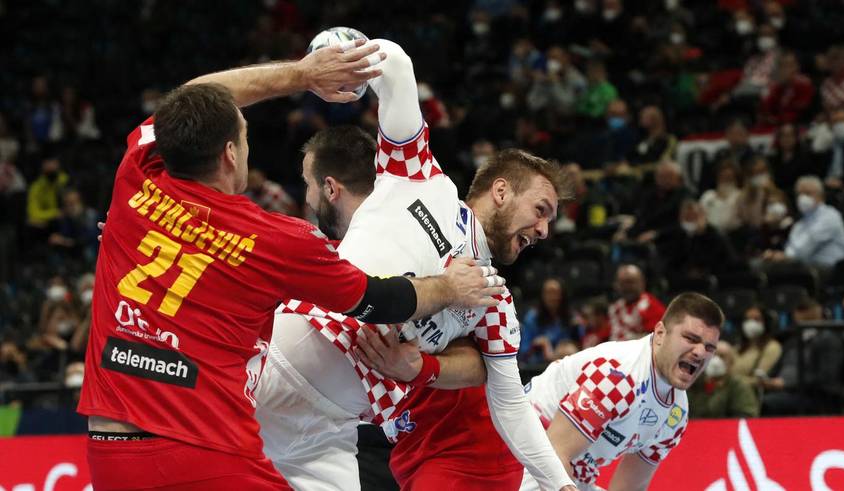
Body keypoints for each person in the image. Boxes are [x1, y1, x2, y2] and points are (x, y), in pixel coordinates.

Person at [77, 41, 504, 490]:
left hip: (110, 450)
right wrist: (450, 287)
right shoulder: (274, 239)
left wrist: (303, 74)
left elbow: (188, 97)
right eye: (244, 137)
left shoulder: (135, 178)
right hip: (206, 453)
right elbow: (379, 299)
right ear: (229, 154)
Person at [258, 38, 576, 491]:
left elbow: (510, 405)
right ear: (501, 191)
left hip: (331, 434)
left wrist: (559, 485)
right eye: (541, 209)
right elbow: (398, 67)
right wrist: (340, 55)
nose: (544, 230)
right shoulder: (421, 177)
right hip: (280, 364)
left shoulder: (495, 301)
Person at [519, 292, 725, 490]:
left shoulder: (676, 414)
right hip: (525, 453)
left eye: (709, 347)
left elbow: (630, 487)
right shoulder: (618, 376)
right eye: (690, 338)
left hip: (571, 471)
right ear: (660, 333)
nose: (699, 352)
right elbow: (554, 456)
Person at [760, 298, 844, 415]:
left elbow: (825, 378)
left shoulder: (828, 340)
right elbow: (777, 367)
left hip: (812, 397)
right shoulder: (793, 340)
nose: (802, 323)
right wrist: (767, 380)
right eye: (800, 320)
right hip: (783, 392)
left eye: (808, 319)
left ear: (819, 316)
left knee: (767, 403)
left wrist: (787, 384)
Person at [762, 175, 844, 270]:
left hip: (828, 268)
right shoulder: (801, 222)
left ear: (821, 196)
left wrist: (783, 257)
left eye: (808, 193)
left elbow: (806, 247)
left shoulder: (830, 216)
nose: (802, 198)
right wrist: (777, 255)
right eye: (799, 194)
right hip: (804, 266)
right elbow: (792, 247)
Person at [687, 341, 759, 418]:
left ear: (731, 362)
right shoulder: (693, 383)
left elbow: (747, 417)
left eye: (722, 357)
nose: (716, 360)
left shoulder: (739, 386)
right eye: (713, 355)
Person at [520, 277, 579, 365]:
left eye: (555, 293)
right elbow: (524, 350)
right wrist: (538, 344)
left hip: (566, 362)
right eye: (548, 293)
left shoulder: (572, 317)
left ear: (562, 295)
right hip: (539, 365)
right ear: (542, 296)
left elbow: (580, 346)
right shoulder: (532, 317)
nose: (552, 297)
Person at [608, 264, 666, 341]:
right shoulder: (614, 308)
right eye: (622, 283)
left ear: (642, 283)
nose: (626, 287)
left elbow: (658, 338)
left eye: (630, 282)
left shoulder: (652, 306)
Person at [731, 305, 782, 391]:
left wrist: (730, 381)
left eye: (756, 319)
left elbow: (760, 381)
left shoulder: (772, 347)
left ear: (765, 322)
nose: (751, 323)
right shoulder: (738, 347)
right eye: (747, 319)